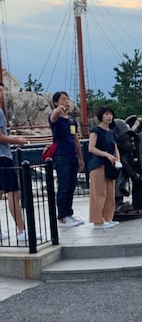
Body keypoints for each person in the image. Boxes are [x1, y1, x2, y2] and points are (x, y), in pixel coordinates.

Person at [0, 86, 39, 243]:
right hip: (3, 157)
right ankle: (22, 230)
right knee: (14, 193)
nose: (2, 93)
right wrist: (18, 141)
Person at [48, 91, 84, 227]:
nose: (66, 101)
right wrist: (58, 111)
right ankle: (62, 216)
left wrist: (80, 158)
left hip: (72, 154)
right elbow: (53, 118)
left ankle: (69, 213)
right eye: (63, 99)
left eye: (67, 99)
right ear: (56, 102)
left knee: (71, 186)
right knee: (63, 187)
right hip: (61, 155)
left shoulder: (71, 121)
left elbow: (75, 139)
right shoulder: (55, 118)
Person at [87, 106, 121, 229]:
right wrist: (106, 155)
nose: (109, 116)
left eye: (110, 114)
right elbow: (91, 148)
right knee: (99, 193)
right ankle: (98, 220)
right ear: (101, 116)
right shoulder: (96, 131)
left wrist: (117, 158)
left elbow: (115, 146)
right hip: (98, 164)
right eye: (106, 114)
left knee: (109, 193)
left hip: (110, 165)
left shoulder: (111, 132)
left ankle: (108, 218)